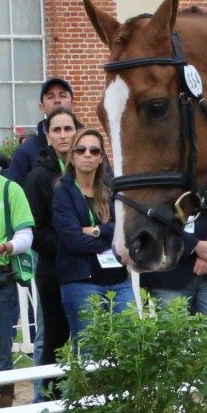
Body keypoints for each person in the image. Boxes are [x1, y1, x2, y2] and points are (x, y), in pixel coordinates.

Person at [141, 159, 207, 410]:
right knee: (173, 344)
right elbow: (153, 217)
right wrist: (194, 247)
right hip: (169, 273)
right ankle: (175, 407)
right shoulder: (157, 167)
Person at [23, 107, 81, 413]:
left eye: (67, 128)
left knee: (88, 340)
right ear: (48, 137)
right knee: (56, 341)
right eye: (56, 130)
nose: (63, 135)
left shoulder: (93, 169)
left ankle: (90, 410)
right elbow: (37, 230)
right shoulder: (38, 177)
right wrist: (73, 243)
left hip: (89, 271)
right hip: (54, 270)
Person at [52, 128, 134, 340]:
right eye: (81, 150)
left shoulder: (112, 191)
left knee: (128, 340)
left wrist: (96, 230)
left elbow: (125, 228)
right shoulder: (63, 191)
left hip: (118, 279)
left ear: (101, 158)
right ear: (72, 156)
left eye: (94, 151)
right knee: (90, 348)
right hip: (80, 280)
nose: (87, 155)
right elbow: (72, 240)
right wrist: (112, 238)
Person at [0, 170, 35, 413]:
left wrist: (6, 247)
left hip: (0, 280)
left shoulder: (10, 189)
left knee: (0, 355)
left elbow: (25, 236)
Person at [6, 78, 75, 185]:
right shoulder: (25, 152)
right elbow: (14, 192)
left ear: (72, 104)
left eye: (62, 95)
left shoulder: (89, 145)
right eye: (50, 97)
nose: (57, 100)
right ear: (41, 107)